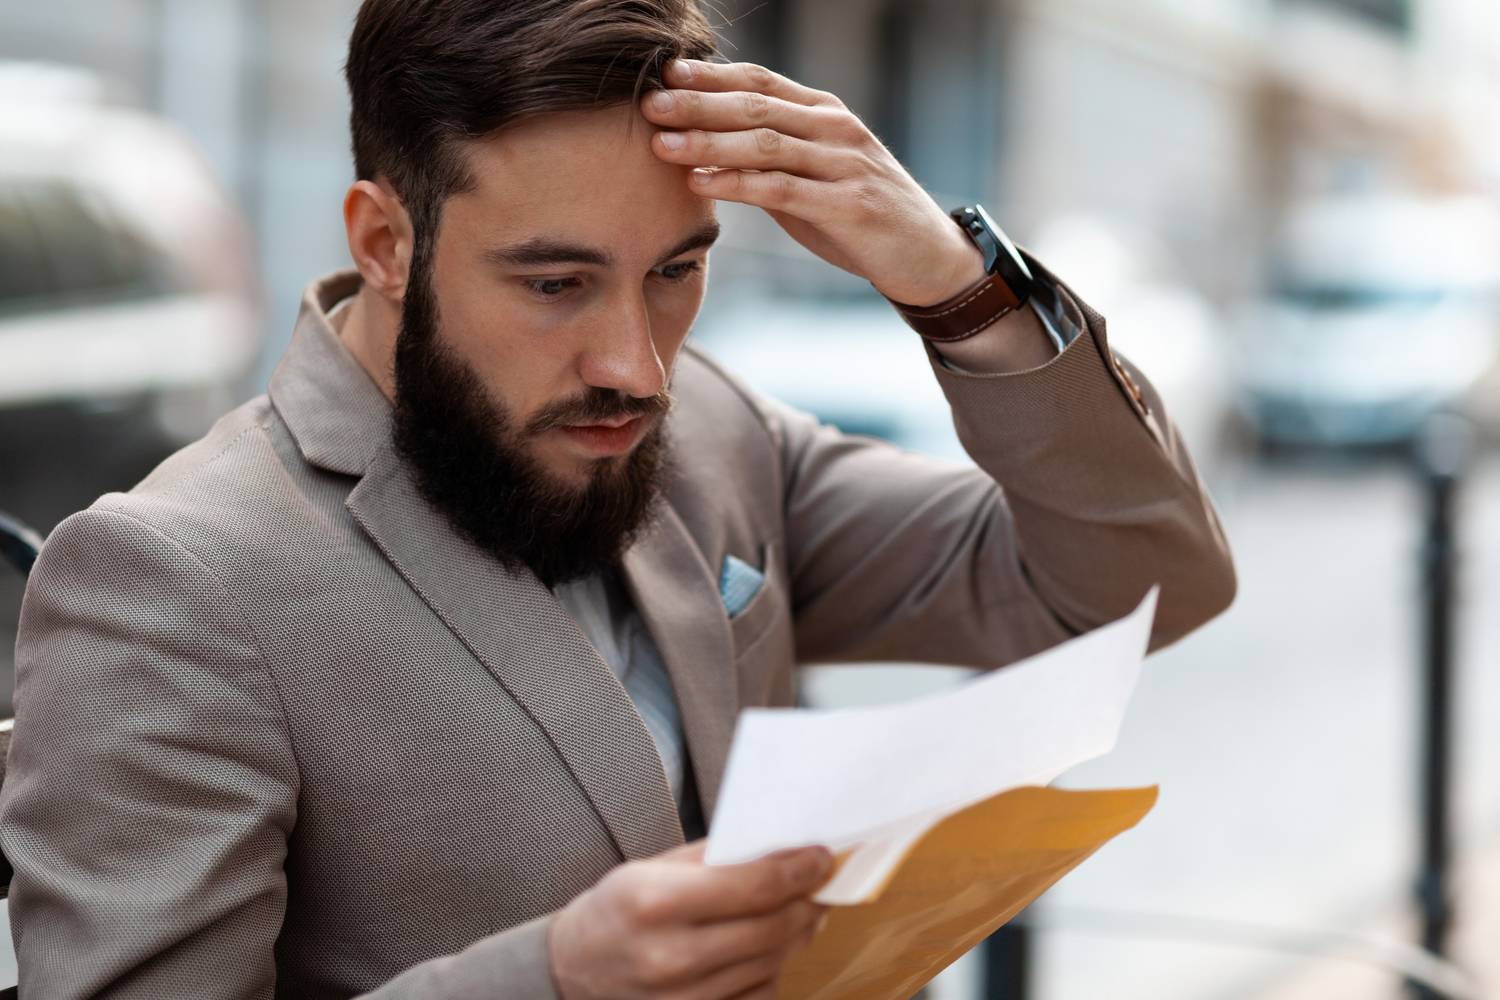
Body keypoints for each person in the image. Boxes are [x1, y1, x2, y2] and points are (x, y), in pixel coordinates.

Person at [0, 0, 1236, 997]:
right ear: (384, 243)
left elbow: (1144, 586)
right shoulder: (170, 578)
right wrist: (552, 978)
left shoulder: (716, 434)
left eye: (675, 273)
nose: (636, 368)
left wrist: (957, 286)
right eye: (554, 283)